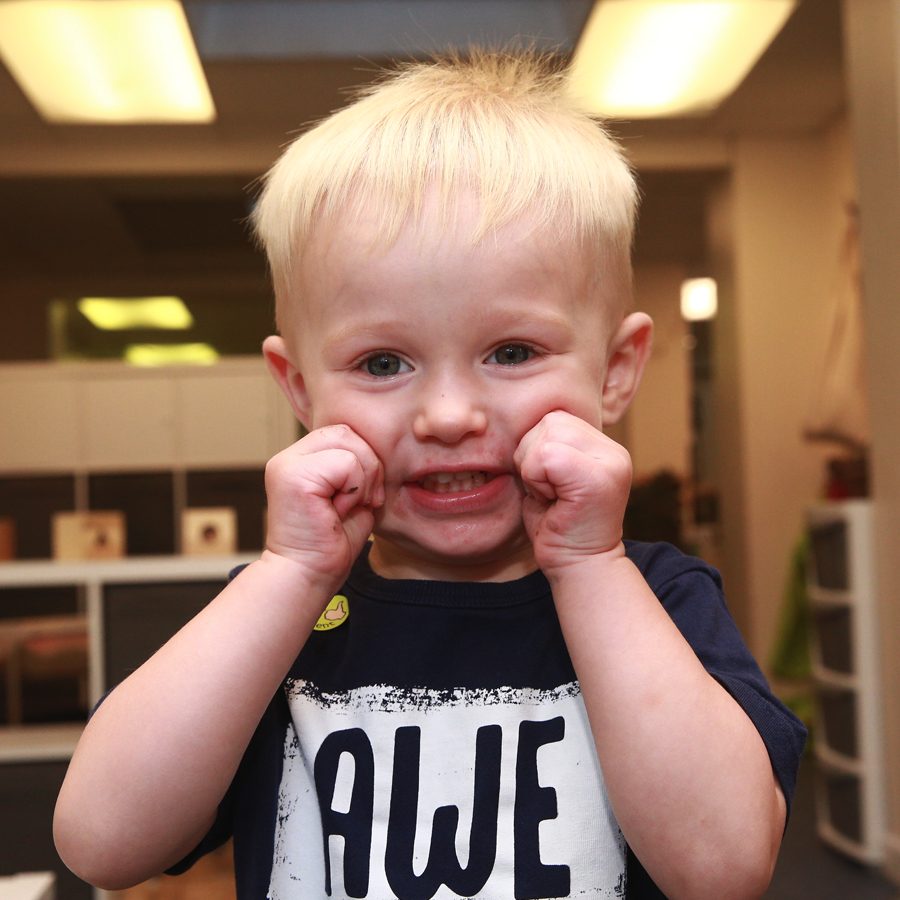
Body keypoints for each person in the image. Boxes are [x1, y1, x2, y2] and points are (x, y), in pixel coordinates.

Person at [53, 51, 806, 900]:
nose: (448, 415)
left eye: (513, 352)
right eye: (382, 362)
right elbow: (100, 843)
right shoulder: (279, 619)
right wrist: (289, 574)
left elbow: (724, 867)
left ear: (616, 370)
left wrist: (591, 568)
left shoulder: (659, 601)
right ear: (300, 390)